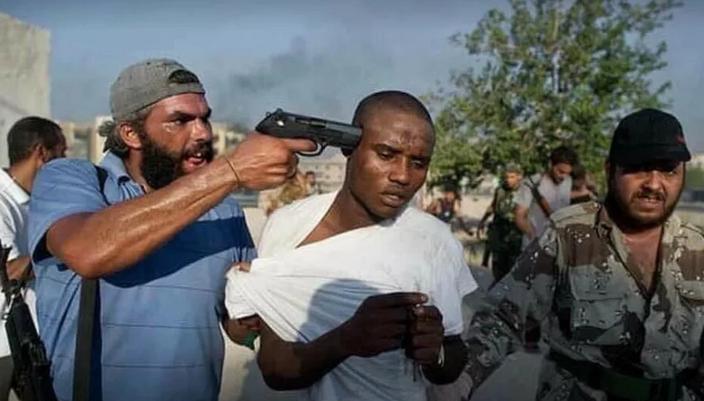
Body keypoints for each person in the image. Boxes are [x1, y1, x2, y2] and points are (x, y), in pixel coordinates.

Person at [27, 59, 314, 401]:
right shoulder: (71, 179)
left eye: (204, 118)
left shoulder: (224, 210)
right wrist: (231, 170)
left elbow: (236, 328)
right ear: (131, 134)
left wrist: (252, 315)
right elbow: (87, 251)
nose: (203, 133)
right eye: (180, 120)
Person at [224, 91, 476, 401]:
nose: (402, 175)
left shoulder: (434, 241)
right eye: (386, 154)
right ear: (349, 147)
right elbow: (276, 369)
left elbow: (451, 360)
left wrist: (434, 352)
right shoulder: (288, 225)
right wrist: (347, 340)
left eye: (418, 163)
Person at [456, 108, 704, 401]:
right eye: (638, 167)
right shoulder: (568, 235)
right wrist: (457, 382)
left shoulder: (697, 250)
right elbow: (502, 318)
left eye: (668, 170)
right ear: (610, 170)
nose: (653, 183)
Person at [0, 116, 66, 400]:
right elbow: (9, 272)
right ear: (41, 153)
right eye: (61, 153)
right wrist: (63, 248)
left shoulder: (34, 199)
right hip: (4, 344)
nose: (64, 162)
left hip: (28, 340)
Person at [514, 145, 577, 248]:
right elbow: (519, 216)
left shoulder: (568, 181)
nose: (563, 176)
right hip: (534, 247)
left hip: (558, 246)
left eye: (567, 173)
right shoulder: (533, 182)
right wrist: (532, 235)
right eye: (560, 171)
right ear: (551, 164)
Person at [477, 163, 523, 282]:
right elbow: (493, 206)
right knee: (497, 263)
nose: (508, 180)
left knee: (513, 264)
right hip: (499, 230)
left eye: (512, 177)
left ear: (519, 177)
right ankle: (499, 284)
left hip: (515, 233)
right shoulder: (500, 189)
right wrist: (482, 221)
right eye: (507, 177)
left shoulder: (525, 192)